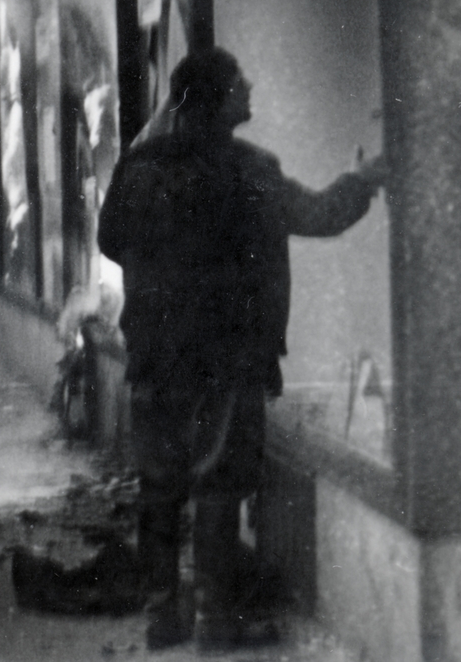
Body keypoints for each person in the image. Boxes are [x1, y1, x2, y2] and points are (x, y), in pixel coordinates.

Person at [97, 48, 384, 652]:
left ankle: (161, 617)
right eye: (239, 83)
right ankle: (215, 622)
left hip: (153, 351)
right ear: (220, 99)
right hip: (224, 357)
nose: (250, 86)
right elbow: (319, 215)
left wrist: (162, 276)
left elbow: (110, 240)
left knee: (159, 485)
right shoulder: (249, 169)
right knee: (217, 486)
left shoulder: (138, 167)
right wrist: (364, 179)